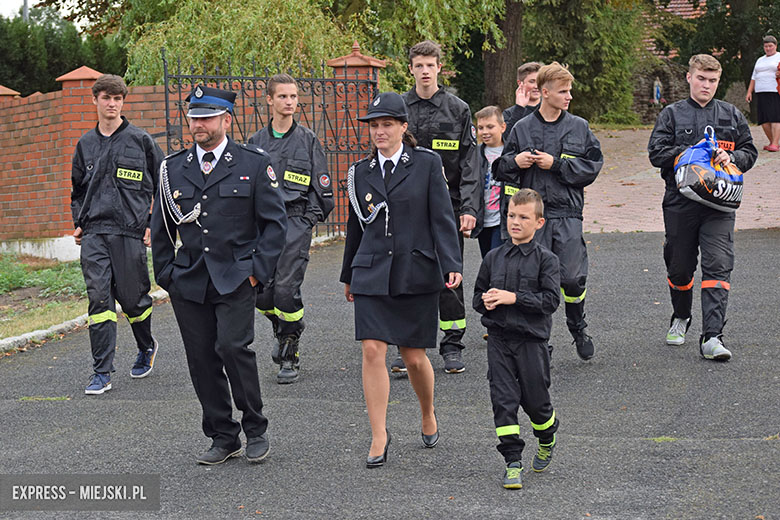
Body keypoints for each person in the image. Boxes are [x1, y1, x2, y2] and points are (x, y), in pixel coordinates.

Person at [150, 85, 287, 464]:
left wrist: (258, 273)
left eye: (207, 117)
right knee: (201, 358)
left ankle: (255, 427)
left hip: (237, 274)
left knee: (231, 348)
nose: (199, 124)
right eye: (194, 117)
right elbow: (161, 228)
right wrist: (166, 274)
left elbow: (275, 224)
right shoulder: (172, 168)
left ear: (227, 119)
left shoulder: (253, 163)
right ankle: (223, 435)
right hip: (190, 278)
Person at [340, 92, 463, 468]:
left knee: (413, 357)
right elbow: (355, 225)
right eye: (374, 125)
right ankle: (379, 433)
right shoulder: (360, 171)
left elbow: (442, 216)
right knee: (373, 350)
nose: (379, 131)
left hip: (416, 269)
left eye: (386, 124)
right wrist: (348, 274)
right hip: (372, 270)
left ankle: (427, 411)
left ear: (403, 127)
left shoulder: (426, 164)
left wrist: (450, 262)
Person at [648, 54, 757, 361]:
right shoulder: (671, 114)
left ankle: (712, 336)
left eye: (712, 81)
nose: (706, 85)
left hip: (719, 205)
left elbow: (750, 150)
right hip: (680, 203)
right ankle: (681, 315)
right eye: (701, 79)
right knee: (679, 266)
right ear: (689, 78)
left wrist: (732, 159)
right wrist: (689, 153)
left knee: (718, 264)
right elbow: (655, 153)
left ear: (717, 82)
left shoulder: (731, 114)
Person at [493, 62, 603, 361]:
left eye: (570, 91)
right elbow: (501, 168)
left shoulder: (578, 127)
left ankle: (577, 325)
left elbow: (592, 166)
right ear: (544, 92)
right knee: (533, 281)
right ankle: (539, 339)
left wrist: (556, 164)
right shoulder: (522, 128)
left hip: (567, 215)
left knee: (571, 278)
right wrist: (515, 163)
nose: (569, 96)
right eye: (563, 91)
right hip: (534, 220)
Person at [71, 74, 164, 395]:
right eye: (106, 98)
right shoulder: (85, 144)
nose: (112, 104)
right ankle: (101, 372)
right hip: (95, 233)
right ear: (94, 100)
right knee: (99, 299)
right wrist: (79, 221)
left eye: (118, 98)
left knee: (133, 300)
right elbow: (77, 191)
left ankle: (146, 345)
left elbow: (163, 185)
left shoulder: (141, 141)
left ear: (123, 102)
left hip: (130, 232)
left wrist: (154, 223)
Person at [248, 74, 334, 384]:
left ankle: (289, 351)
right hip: (263, 225)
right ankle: (285, 326)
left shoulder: (308, 140)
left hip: (295, 221)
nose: (289, 102)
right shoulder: (256, 143)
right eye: (283, 96)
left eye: (293, 96)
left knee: (285, 289)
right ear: (269, 100)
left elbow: (322, 188)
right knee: (260, 293)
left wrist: (307, 220)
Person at [401, 39, 480, 374]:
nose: (424, 71)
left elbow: (470, 164)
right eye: (418, 65)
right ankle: (409, 343)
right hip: (407, 207)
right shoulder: (398, 109)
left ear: (439, 68)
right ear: (411, 70)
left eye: (430, 65)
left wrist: (470, 208)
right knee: (406, 274)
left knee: (450, 273)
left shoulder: (458, 109)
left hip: (448, 206)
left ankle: (452, 343)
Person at [473, 188, 560, 489]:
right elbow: (476, 296)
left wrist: (513, 298)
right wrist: (485, 300)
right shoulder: (493, 258)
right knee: (503, 400)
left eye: (523, 217)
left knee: (537, 404)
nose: (515, 222)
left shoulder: (546, 260)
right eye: (511, 215)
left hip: (531, 342)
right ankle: (512, 461)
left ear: (539, 223)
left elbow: (550, 302)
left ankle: (547, 436)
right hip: (498, 340)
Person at [473, 106, 506, 258]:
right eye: (480, 128)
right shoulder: (475, 154)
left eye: (490, 127)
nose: (485, 132)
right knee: (488, 260)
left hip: (503, 220)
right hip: (483, 220)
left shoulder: (510, 153)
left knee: (497, 260)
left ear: (502, 127)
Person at [746, 35, 780, 152]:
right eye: (766, 46)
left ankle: (775, 143)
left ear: (775, 46)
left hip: (775, 90)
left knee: (775, 117)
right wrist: (749, 91)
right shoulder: (760, 60)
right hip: (760, 91)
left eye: (770, 46)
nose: (768, 48)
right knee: (764, 119)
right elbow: (754, 77)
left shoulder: (779, 57)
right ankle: (772, 142)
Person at [502, 62, 543, 142]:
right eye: (532, 81)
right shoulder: (509, 113)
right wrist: (519, 109)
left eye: (539, 81)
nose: (536, 86)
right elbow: (505, 140)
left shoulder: (550, 110)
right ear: (520, 83)